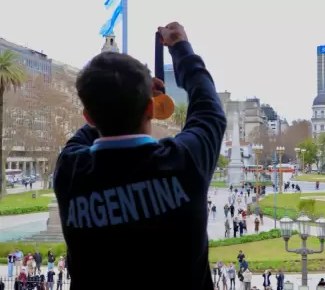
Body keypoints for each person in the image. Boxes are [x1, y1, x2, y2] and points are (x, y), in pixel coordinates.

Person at [53, 22, 227, 290]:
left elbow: (209, 112)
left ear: (88, 116)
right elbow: (209, 109)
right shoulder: (184, 161)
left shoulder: (69, 170)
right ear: (151, 107)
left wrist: (113, 101)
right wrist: (180, 46)